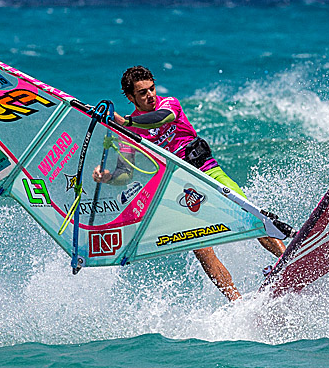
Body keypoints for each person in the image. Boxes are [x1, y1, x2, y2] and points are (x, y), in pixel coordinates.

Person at [92, 66, 285, 301]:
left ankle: (287, 261)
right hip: (179, 189)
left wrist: (128, 122)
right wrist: (107, 177)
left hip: (206, 171)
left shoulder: (168, 104)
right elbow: (126, 175)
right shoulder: (128, 136)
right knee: (202, 249)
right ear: (131, 97)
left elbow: (161, 118)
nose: (150, 95)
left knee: (250, 213)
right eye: (142, 93)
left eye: (152, 88)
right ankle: (236, 301)